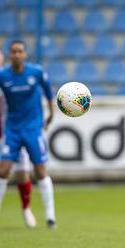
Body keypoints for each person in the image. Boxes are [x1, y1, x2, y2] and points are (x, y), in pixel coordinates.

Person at [0, 40, 56, 229]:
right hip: (12, 129)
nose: (17, 54)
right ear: (9, 54)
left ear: (25, 54)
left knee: (40, 170)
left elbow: (49, 94)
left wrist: (51, 114)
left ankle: (50, 217)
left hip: (33, 128)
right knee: (4, 170)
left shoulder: (36, 72)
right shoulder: (3, 75)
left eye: (20, 51)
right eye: (14, 51)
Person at [0, 49, 36, 228]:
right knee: (3, 171)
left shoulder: (9, 78)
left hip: (12, 131)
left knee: (22, 173)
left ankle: (26, 208)